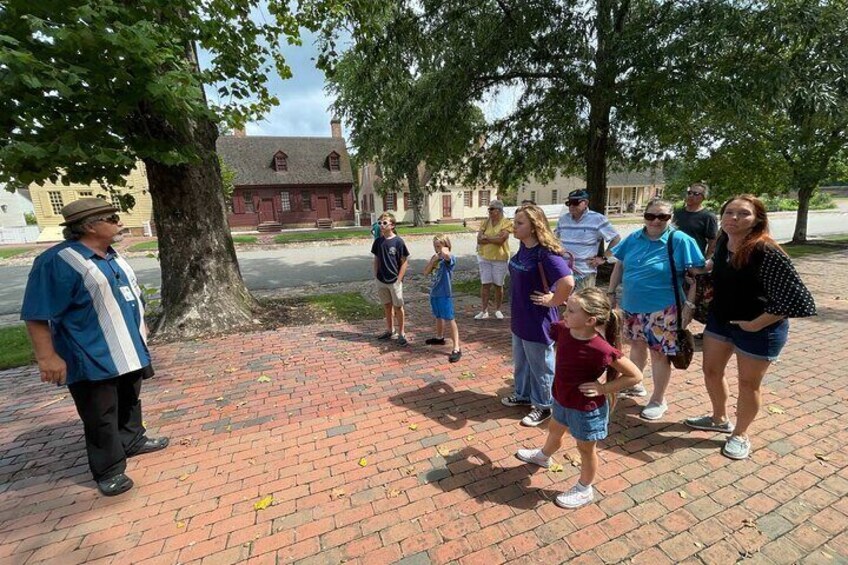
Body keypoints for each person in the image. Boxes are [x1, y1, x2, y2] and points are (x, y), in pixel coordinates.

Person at [21, 198, 169, 497]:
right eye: (112, 218)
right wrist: (47, 357)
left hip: (130, 347)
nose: (120, 223)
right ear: (89, 226)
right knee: (99, 413)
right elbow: (36, 314)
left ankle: (132, 440)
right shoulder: (58, 261)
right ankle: (109, 469)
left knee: (129, 398)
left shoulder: (112, 255)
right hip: (91, 353)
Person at [684, 195, 815, 460]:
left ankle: (740, 434)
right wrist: (701, 268)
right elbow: (717, 266)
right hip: (722, 320)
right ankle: (719, 418)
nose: (734, 218)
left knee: (748, 384)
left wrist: (755, 324)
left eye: (743, 213)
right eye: (729, 212)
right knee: (711, 371)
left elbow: (798, 299)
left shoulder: (765, 250)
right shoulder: (724, 241)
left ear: (757, 219)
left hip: (761, 327)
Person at [515, 288, 643, 508]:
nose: (565, 314)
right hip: (562, 399)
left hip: (586, 409)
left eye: (571, 311)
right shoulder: (563, 330)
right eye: (566, 308)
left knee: (585, 450)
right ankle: (543, 456)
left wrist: (603, 388)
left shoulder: (600, 348)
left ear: (590, 320)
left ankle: (585, 488)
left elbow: (635, 375)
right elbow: (545, 327)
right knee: (555, 431)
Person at [607, 198, 705, 419]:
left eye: (662, 217)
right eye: (651, 216)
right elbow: (619, 264)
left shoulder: (679, 240)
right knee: (637, 346)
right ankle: (635, 382)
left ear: (671, 218)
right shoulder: (634, 237)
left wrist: (689, 306)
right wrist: (611, 292)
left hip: (663, 308)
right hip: (632, 306)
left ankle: (658, 399)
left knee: (659, 354)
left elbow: (697, 276)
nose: (655, 221)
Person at [501, 205, 575, 426]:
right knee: (522, 361)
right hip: (520, 316)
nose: (514, 226)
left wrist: (554, 300)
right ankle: (523, 394)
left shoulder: (545, 253)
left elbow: (568, 281)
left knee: (541, 365)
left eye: (520, 223)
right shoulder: (524, 248)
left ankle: (544, 405)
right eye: (515, 221)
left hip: (538, 319)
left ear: (534, 227)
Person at [555, 189, 621, 290]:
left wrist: (604, 258)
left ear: (585, 203)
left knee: (583, 305)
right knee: (562, 304)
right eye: (569, 203)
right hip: (564, 273)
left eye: (575, 202)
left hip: (585, 274)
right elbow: (554, 239)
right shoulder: (563, 219)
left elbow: (616, 239)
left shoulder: (598, 219)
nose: (571, 206)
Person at [371, 212, 410, 346]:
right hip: (381, 280)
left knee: (398, 307)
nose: (381, 225)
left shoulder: (398, 242)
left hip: (394, 280)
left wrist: (399, 279)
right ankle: (390, 329)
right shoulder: (378, 241)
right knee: (387, 306)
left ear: (392, 225)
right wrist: (376, 275)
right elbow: (376, 258)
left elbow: (404, 262)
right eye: (380, 223)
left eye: (385, 223)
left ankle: (402, 333)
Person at [423, 235, 462, 363]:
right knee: (438, 316)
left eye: (439, 246)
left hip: (445, 294)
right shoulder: (435, 259)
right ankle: (439, 337)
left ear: (446, 246)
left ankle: (456, 347)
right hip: (434, 293)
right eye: (435, 246)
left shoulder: (448, 260)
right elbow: (425, 272)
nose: (436, 249)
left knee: (450, 318)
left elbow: (449, 259)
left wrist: (445, 253)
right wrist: (432, 261)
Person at [474, 200, 512, 320]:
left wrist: (487, 237)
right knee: (485, 284)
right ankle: (484, 310)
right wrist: (492, 238)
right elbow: (479, 239)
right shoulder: (485, 222)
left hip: (500, 258)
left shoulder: (506, 223)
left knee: (498, 284)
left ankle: (498, 309)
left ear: (498, 210)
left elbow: (501, 240)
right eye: (489, 209)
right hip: (484, 256)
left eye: (491, 209)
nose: (489, 211)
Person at [673, 183, 718, 260]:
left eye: (696, 194)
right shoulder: (678, 213)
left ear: (703, 197)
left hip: (695, 258)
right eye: (689, 193)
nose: (691, 196)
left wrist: (707, 258)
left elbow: (712, 240)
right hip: (675, 256)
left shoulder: (708, 217)